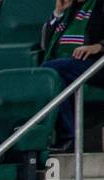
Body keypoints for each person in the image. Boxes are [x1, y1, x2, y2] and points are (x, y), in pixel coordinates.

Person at [41, 0, 104, 148]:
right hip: (69, 66)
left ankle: (69, 136)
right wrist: (58, 13)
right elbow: (46, 44)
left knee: (49, 71)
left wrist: (99, 46)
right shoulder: (69, 10)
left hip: (96, 65)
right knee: (55, 79)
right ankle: (70, 138)